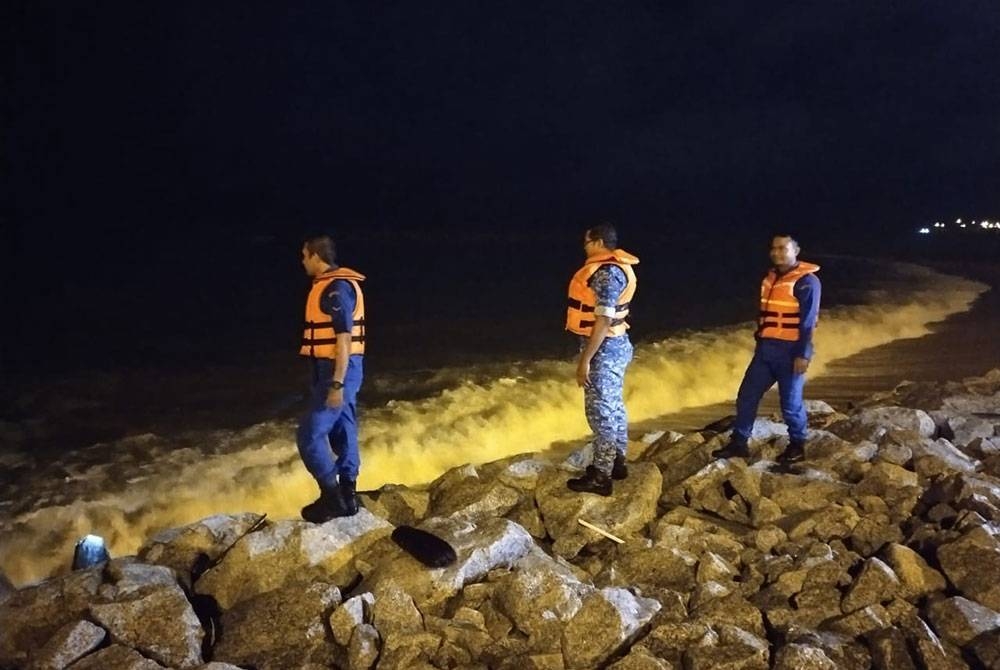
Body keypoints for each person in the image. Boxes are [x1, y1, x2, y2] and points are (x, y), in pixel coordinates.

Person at [713, 234, 821, 466]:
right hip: (766, 351)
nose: (777, 252)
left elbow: (808, 323)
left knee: (790, 404)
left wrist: (804, 354)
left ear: (796, 250)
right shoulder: (770, 278)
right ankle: (739, 442)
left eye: (783, 248)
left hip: (792, 352)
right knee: (746, 396)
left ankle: (798, 444)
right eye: (774, 248)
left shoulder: (807, 282)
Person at [565, 224, 639, 496]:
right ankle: (617, 461)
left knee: (601, 414)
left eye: (586, 242)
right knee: (615, 406)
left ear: (596, 242)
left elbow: (604, 319)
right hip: (617, 345)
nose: (584, 247)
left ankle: (601, 477)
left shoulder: (606, 272)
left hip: (604, 349)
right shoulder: (617, 268)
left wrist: (585, 360)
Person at [297, 234, 366, 522]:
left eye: (304, 255)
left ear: (315, 256)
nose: (302, 261)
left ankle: (331, 495)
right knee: (343, 426)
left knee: (309, 435)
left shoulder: (336, 288)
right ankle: (348, 495)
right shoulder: (336, 285)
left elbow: (344, 338)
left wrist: (337, 382)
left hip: (338, 369)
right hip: (342, 367)